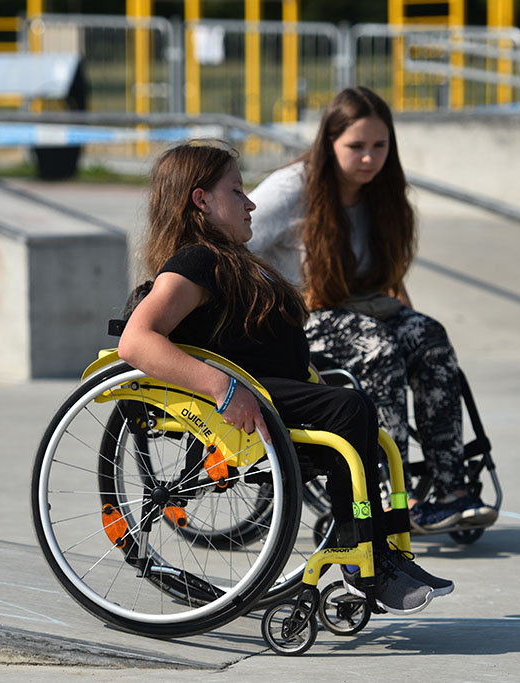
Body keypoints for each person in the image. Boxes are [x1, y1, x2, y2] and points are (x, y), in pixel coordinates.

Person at [116, 140, 453, 615]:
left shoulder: (231, 261)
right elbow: (136, 341)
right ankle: (368, 561)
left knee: (353, 414)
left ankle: (379, 553)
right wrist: (222, 387)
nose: (251, 202)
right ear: (201, 200)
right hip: (241, 398)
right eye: (237, 191)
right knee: (349, 408)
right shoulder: (194, 262)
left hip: (270, 390)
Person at [247, 87, 497, 532]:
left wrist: (417, 334)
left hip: (359, 308)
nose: (369, 158)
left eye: (379, 146)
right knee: (378, 346)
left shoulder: (382, 193)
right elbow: (230, 242)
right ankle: (383, 491)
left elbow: (388, 279)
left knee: (430, 337)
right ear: (329, 143)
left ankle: (449, 487)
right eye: (356, 147)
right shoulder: (293, 189)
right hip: (299, 318)